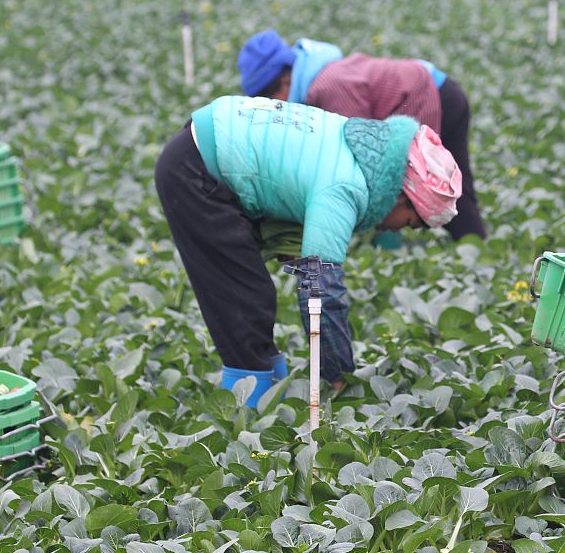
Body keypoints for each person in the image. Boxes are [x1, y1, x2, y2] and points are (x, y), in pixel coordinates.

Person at [154, 96, 462, 407]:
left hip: (209, 145)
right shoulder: (347, 186)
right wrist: (340, 376)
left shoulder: (363, 150)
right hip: (195, 170)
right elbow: (320, 292)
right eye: (409, 223)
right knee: (241, 297)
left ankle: (272, 391)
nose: (398, 230)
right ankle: (246, 407)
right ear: (402, 196)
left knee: (252, 292)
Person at [236, 30, 485, 240]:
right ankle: (476, 253)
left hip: (436, 96)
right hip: (439, 89)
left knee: (429, 188)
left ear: (286, 81)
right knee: (446, 191)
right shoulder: (320, 78)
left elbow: (363, 165)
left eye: (268, 99)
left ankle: (468, 257)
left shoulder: (328, 87)